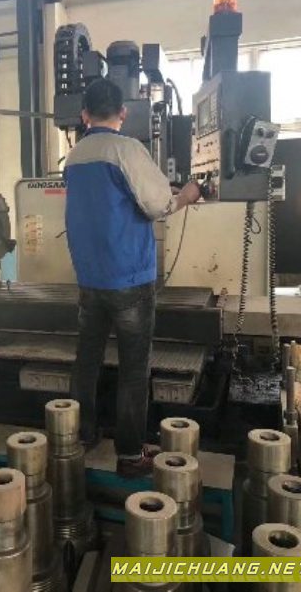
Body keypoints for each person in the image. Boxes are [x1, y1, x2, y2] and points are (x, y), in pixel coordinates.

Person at [64, 78, 201, 478]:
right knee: (133, 370)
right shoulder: (127, 149)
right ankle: (129, 455)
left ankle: (81, 436)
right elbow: (157, 206)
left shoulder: (74, 157)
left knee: (86, 362)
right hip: (129, 280)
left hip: (90, 280)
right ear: (123, 112)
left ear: (84, 115)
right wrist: (186, 195)